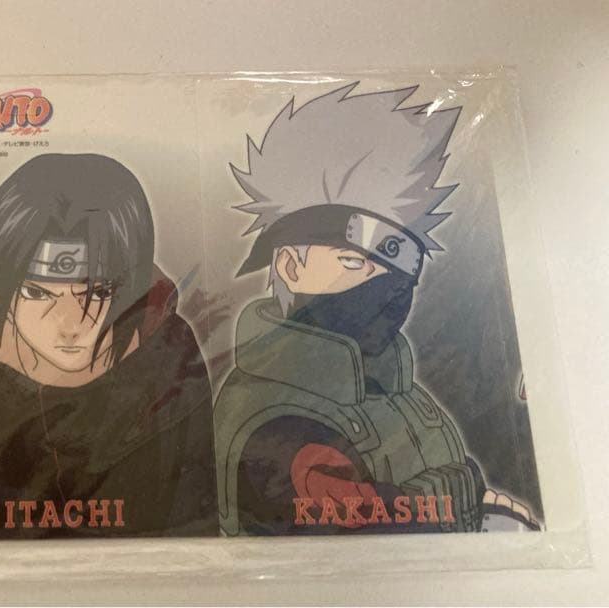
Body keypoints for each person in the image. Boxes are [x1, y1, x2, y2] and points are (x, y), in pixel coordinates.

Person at [213, 83, 539, 535]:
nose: (384, 286)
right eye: (353, 262)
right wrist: (477, 516)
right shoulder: (277, 416)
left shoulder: (393, 387)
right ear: (290, 266)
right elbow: (360, 532)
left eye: (398, 270)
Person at [0, 153, 217, 540]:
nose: (71, 324)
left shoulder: (169, 358)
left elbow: (192, 522)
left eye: (98, 292)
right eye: (38, 293)